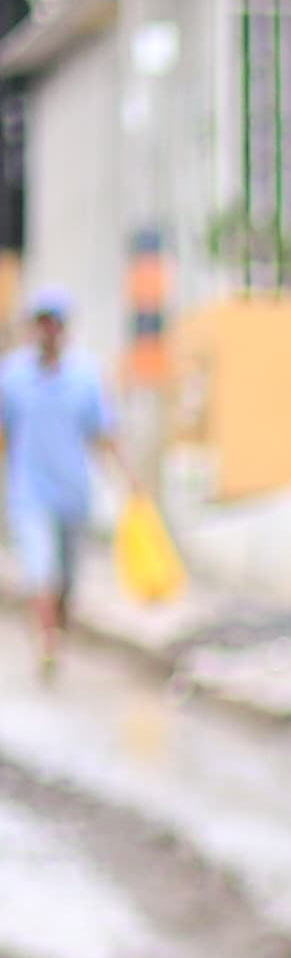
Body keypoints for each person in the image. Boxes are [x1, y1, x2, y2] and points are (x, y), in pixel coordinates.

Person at [0, 285, 130, 682]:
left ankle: (57, 631)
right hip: (30, 492)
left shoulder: (85, 376)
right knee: (42, 571)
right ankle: (47, 643)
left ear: (64, 329)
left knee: (67, 581)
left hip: (73, 494)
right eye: (42, 324)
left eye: (54, 324)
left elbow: (102, 433)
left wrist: (127, 479)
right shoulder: (13, 376)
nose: (48, 332)